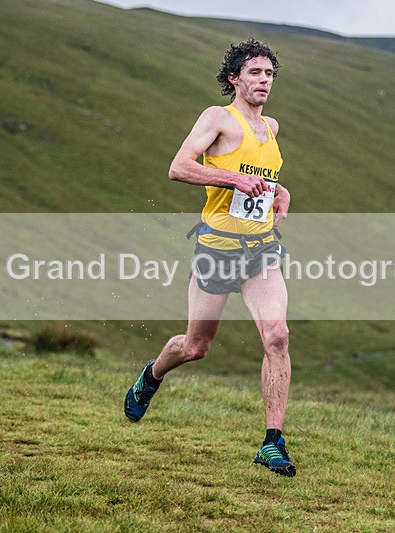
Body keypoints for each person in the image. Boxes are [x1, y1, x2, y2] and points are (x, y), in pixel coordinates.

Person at [124, 38, 295, 477]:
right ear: (234, 79)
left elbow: (263, 177)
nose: (263, 81)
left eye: (269, 74)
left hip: (260, 250)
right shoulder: (219, 118)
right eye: (255, 73)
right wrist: (231, 179)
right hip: (216, 249)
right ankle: (153, 375)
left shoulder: (270, 128)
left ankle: (272, 442)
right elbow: (179, 167)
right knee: (195, 347)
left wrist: (280, 191)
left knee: (277, 335)